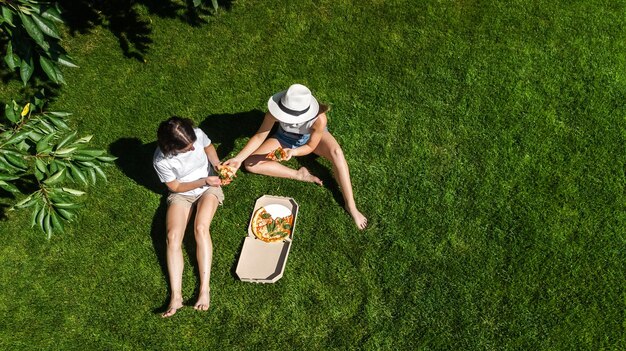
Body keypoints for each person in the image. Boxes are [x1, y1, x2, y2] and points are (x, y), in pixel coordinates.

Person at [224, 83, 367, 229]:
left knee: (337, 153)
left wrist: (294, 152)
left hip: (312, 139)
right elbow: (260, 137)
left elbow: (311, 146)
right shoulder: (274, 112)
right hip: (284, 138)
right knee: (250, 164)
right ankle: (299, 174)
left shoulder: (319, 120)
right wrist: (238, 158)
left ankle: (351, 205)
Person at [153, 116, 227, 318]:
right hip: (182, 192)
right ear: (172, 148)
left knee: (201, 228)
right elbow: (175, 187)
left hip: (209, 188)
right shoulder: (161, 160)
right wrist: (202, 180)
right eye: (187, 148)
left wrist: (218, 165)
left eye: (193, 143)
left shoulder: (198, 134)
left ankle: (204, 289)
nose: (193, 149)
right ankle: (176, 296)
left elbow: (209, 148)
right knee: (172, 237)